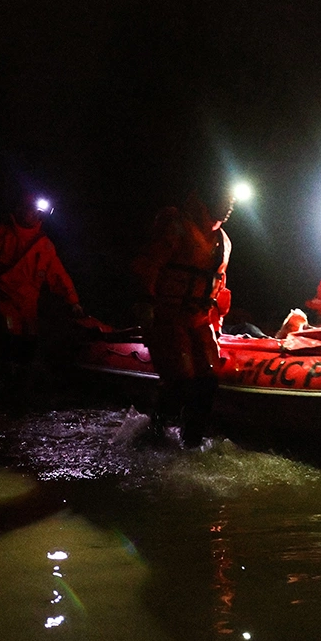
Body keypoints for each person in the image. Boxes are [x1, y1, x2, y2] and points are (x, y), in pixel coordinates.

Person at [131, 185, 234, 447]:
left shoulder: (223, 242)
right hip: (168, 316)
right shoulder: (177, 227)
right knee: (180, 380)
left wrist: (217, 324)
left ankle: (191, 443)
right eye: (225, 199)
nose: (229, 205)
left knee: (208, 380)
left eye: (231, 201)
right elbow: (149, 265)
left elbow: (218, 288)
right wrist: (145, 303)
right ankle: (154, 433)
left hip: (200, 320)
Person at [0, 193, 84, 384]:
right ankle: (1, 381)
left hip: (27, 307)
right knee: (7, 339)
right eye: (30, 210)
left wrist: (73, 301)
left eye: (37, 211)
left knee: (29, 343)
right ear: (19, 209)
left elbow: (59, 275)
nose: (34, 214)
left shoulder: (44, 245)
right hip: (1, 300)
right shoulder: (0, 235)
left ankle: (19, 383)